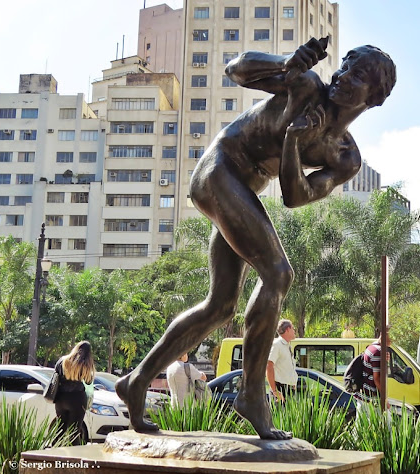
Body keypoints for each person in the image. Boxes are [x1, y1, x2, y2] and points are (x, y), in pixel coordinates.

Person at [116, 36, 396, 440]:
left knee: (219, 307)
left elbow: (295, 196)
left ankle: (136, 382)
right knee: (278, 274)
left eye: (358, 77)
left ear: (374, 98)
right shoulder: (305, 87)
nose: (343, 77)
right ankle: (251, 394)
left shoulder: (346, 157)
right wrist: (286, 62)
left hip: (241, 192)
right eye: (345, 67)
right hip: (219, 170)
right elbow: (236, 68)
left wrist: (294, 143)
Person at [53, 341, 95, 445]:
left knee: (60, 428)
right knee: (75, 430)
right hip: (77, 398)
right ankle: (73, 456)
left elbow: (56, 374)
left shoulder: (63, 360)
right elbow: (88, 381)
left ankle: (54, 452)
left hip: (61, 398)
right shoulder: (86, 364)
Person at [266, 319, 298, 401]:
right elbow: (269, 365)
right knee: (279, 414)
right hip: (280, 389)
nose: (294, 331)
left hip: (289, 390)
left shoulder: (287, 346)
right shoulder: (277, 345)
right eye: (293, 328)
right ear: (287, 329)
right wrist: (275, 390)